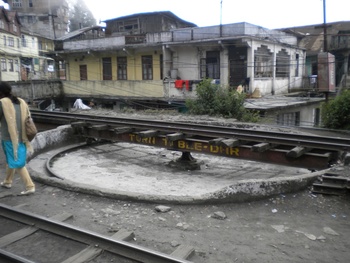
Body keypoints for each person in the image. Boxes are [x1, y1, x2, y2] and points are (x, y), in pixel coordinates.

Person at [0, 81, 35, 195]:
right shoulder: (21, 101)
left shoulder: (2, 102)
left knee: (18, 163)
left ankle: (30, 186)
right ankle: (7, 181)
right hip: (22, 136)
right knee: (12, 158)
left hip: (9, 137)